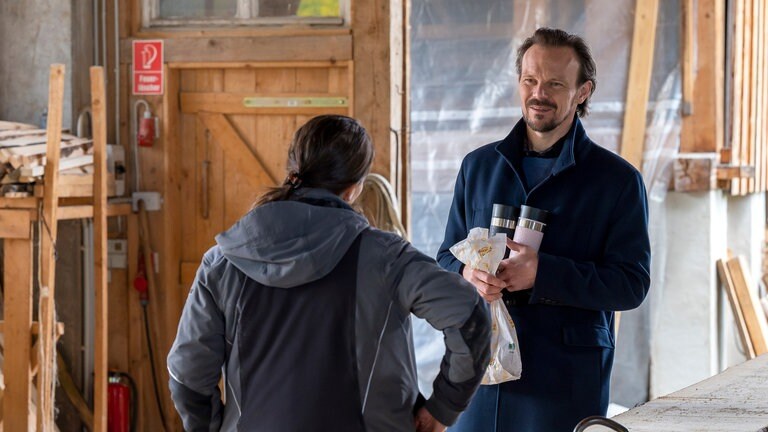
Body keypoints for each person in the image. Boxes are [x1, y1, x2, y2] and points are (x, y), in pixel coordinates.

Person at [167, 114, 491, 432]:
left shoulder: (223, 262)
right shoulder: (387, 258)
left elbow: (188, 376)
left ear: (292, 170)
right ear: (354, 188)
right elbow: (469, 316)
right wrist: (442, 408)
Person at [436, 28, 651, 432]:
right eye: (530, 80)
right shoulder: (478, 167)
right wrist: (468, 273)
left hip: (564, 378)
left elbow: (631, 284)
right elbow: (447, 255)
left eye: (555, 83)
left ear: (582, 91)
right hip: (483, 368)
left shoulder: (617, 181)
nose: (539, 93)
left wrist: (544, 273)